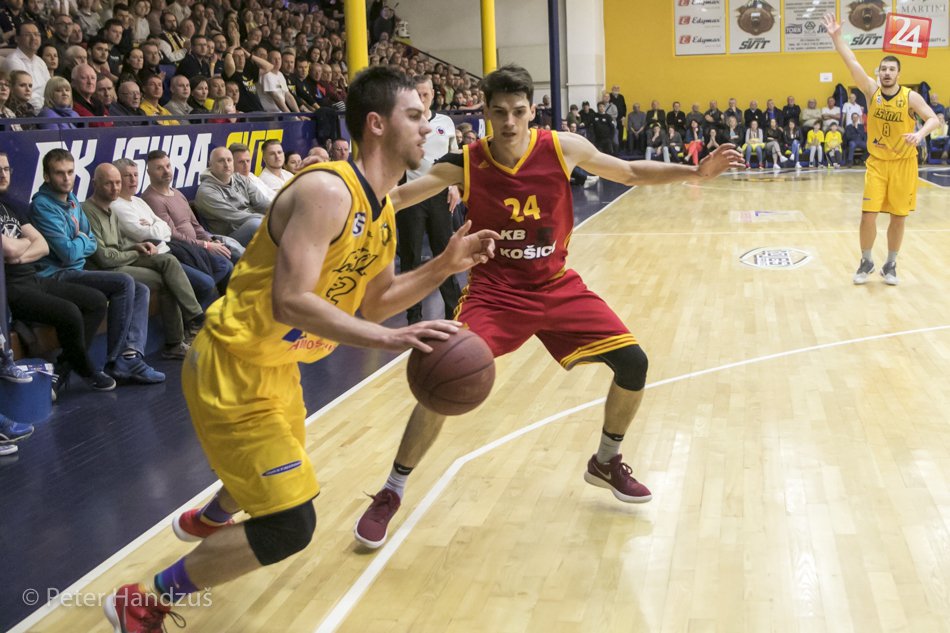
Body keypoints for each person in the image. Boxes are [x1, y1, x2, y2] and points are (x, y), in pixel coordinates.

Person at [103, 65, 499, 632]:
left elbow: (377, 303)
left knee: (271, 477)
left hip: (279, 369)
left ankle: (210, 519)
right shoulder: (325, 191)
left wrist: (444, 265)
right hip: (232, 368)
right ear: (376, 124)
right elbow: (291, 301)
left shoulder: (382, 212)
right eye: (414, 115)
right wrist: (390, 339)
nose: (426, 127)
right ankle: (144, 601)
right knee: (290, 524)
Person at [353, 64, 742, 549]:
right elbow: (398, 197)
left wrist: (695, 171)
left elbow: (627, 172)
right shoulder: (466, 162)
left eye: (518, 111)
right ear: (486, 113)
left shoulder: (562, 148)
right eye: (499, 112)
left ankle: (606, 461)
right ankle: (392, 489)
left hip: (556, 285)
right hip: (495, 293)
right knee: (440, 375)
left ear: (532, 111)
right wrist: (336, 200)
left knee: (634, 363)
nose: (509, 122)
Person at [30, 148, 164, 384]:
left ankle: (130, 355)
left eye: (70, 172)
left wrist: (81, 239)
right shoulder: (42, 206)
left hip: (78, 270)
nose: (66, 178)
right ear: (47, 176)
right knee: (123, 283)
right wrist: (82, 239)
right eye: (59, 173)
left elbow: (90, 242)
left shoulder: (72, 200)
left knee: (140, 289)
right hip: (56, 275)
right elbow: (68, 253)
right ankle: (115, 362)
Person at [824, 13, 939, 285]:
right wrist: (837, 38)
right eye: (883, 69)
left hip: (903, 164)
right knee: (868, 216)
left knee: (898, 218)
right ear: (878, 73)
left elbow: (933, 119)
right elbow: (851, 62)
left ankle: (890, 264)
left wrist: (919, 133)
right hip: (877, 163)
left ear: (898, 74)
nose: (886, 73)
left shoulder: (910, 96)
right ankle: (866, 261)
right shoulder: (871, 91)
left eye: (891, 69)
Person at [1, 152, 116, 394]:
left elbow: (41, 246)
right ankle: (86, 369)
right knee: (69, 311)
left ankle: (63, 368)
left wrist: (18, 254)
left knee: (96, 301)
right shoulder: (38, 204)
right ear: (47, 176)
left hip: (32, 277)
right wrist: (24, 244)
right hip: (9, 288)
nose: (3, 175)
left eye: (6, 169)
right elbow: (8, 248)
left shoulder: (12, 204)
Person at [396, 74, 460, 324]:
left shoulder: (446, 123)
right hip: (411, 196)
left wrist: (455, 185)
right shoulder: (401, 122)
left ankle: (454, 312)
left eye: (426, 94)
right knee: (410, 259)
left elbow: (455, 156)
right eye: (418, 94)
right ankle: (414, 318)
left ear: (433, 94)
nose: (422, 99)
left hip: (440, 195)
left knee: (445, 254)